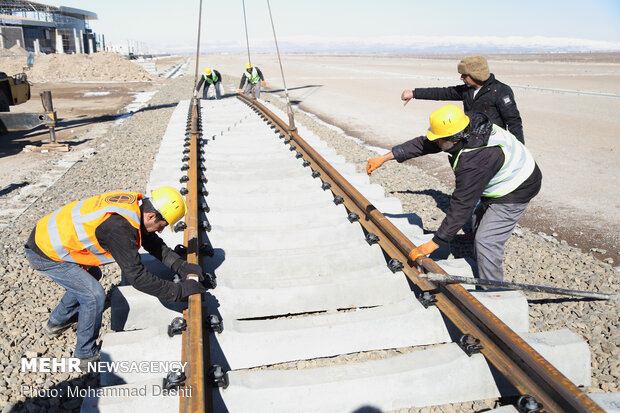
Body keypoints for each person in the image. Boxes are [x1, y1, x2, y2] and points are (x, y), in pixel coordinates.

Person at [24, 187, 215, 367]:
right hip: (45, 252)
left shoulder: (134, 209)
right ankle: (84, 354)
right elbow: (137, 277)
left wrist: (179, 265)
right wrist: (178, 291)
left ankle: (57, 322)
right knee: (94, 295)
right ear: (151, 215)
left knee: (93, 274)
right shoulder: (119, 229)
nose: (161, 230)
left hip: (49, 235)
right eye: (161, 225)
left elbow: (150, 241)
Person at [366, 105, 541, 283]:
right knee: (478, 220)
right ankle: (476, 251)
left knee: (486, 240)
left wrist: (435, 243)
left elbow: (462, 204)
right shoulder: (465, 125)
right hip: (502, 172)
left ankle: (494, 290)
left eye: (439, 140)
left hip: (518, 186)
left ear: (454, 140)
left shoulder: (474, 162)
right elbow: (424, 143)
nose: (434, 142)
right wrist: (385, 157)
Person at [400, 56, 525, 144]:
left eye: (464, 75)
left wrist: (520, 150)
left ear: (476, 74)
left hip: (492, 144)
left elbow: (514, 122)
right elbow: (442, 93)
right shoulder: (468, 90)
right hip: (471, 141)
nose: (461, 78)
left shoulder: (500, 91)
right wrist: (414, 93)